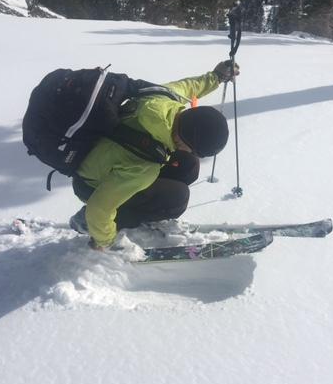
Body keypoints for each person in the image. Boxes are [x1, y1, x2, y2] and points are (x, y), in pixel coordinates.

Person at [69, 60, 239, 249]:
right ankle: (87, 222)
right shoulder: (143, 167)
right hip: (91, 185)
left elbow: (189, 86)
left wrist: (216, 77)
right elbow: (99, 209)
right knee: (177, 199)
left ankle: (137, 207)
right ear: (185, 140)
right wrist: (104, 242)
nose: (194, 154)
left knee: (188, 165)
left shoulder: (165, 100)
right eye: (195, 150)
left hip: (108, 157)